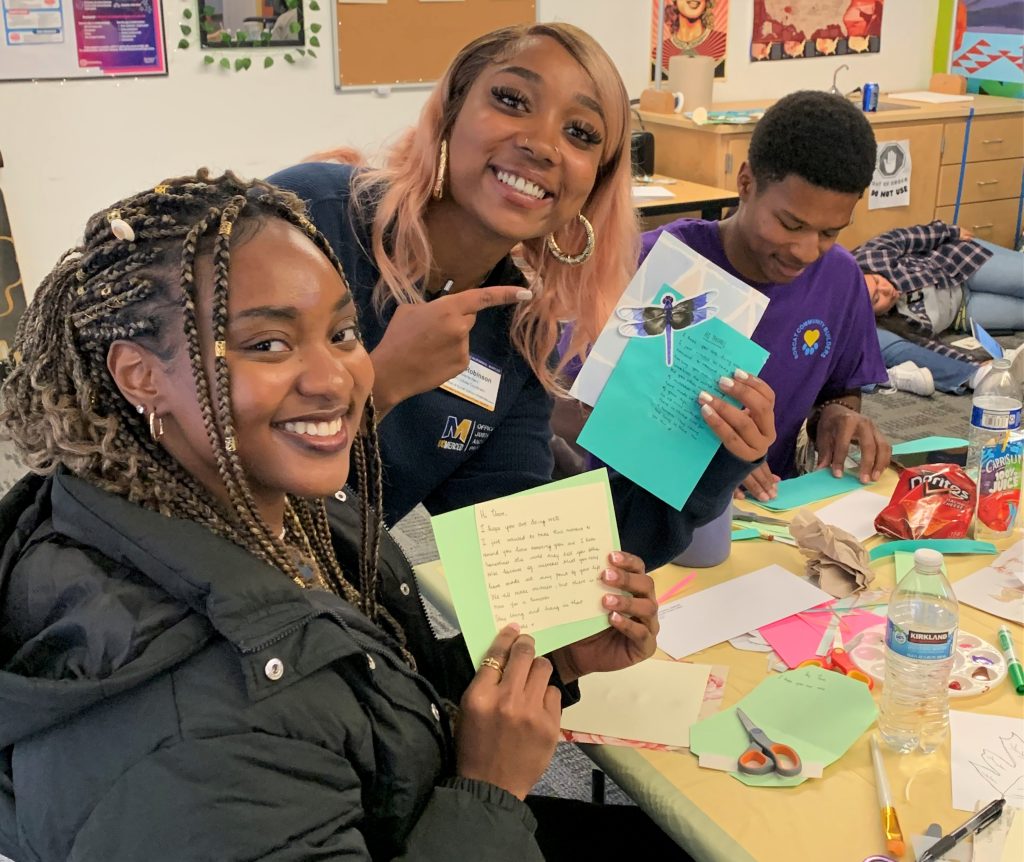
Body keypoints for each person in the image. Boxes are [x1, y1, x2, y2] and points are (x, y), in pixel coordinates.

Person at [0, 171, 676, 861]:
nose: (338, 379)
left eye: (344, 332)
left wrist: (553, 663)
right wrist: (489, 788)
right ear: (140, 374)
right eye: (268, 344)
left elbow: (363, 688)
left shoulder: (274, 511)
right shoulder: (189, 740)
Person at [270, 23, 775, 568]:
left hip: (316, 619)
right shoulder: (308, 221)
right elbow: (194, 449)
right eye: (512, 100)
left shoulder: (515, 341)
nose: (540, 145)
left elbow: (530, 565)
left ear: (593, 185)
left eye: (581, 133)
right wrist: (380, 383)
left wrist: (702, 457)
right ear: (451, 112)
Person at [639, 90, 891, 503]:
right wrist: (708, 461)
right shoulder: (659, 263)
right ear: (746, 183)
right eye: (791, 225)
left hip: (765, 510)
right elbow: (568, 416)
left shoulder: (840, 279)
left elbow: (840, 387)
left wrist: (834, 414)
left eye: (830, 233)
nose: (807, 251)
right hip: (647, 510)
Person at [855, 220, 1024, 395]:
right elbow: (930, 348)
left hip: (959, 263)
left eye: (876, 280)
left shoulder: (867, 259)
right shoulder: (884, 329)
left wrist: (949, 232)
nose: (886, 289)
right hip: (963, 311)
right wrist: (972, 365)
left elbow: (901, 238)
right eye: (877, 299)